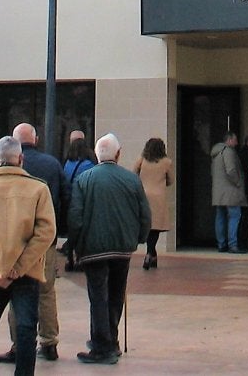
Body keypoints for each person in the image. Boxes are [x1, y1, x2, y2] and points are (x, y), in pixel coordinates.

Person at [0, 135, 57, 376]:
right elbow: (46, 232)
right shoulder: (39, 189)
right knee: (26, 329)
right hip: (26, 272)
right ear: (21, 159)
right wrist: (20, 267)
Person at [69, 133, 150, 365]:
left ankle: (102, 346)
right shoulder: (131, 180)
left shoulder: (84, 179)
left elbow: (76, 217)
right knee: (115, 295)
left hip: (93, 248)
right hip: (122, 248)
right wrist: (139, 238)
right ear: (118, 153)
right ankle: (109, 340)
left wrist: (73, 246)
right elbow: (144, 213)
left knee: (98, 297)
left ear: (96, 154)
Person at [0, 124, 65, 366]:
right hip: (45, 239)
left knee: (17, 292)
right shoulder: (52, 164)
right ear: (35, 139)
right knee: (46, 291)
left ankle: (19, 344)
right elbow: (64, 198)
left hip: (14, 239)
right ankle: (49, 342)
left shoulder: (5, 168)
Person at [133, 137, 173, 270]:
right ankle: (150, 253)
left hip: (144, 195)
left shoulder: (142, 160)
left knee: (148, 225)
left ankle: (151, 254)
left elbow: (134, 174)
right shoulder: (166, 162)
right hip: (159, 196)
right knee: (156, 227)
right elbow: (170, 180)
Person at [60, 136, 96, 272]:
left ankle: (70, 257)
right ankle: (81, 258)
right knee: (83, 231)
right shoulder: (88, 165)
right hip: (83, 200)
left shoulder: (68, 163)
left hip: (69, 201)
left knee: (72, 231)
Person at [209, 131, 246, 253]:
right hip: (230, 190)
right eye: (234, 140)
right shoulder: (228, 152)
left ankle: (221, 244)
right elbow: (231, 170)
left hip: (219, 191)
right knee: (234, 216)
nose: (236, 143)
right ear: (229, 140)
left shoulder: (216, 153)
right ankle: (233, 244)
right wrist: (238, 182)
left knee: (220, 217)